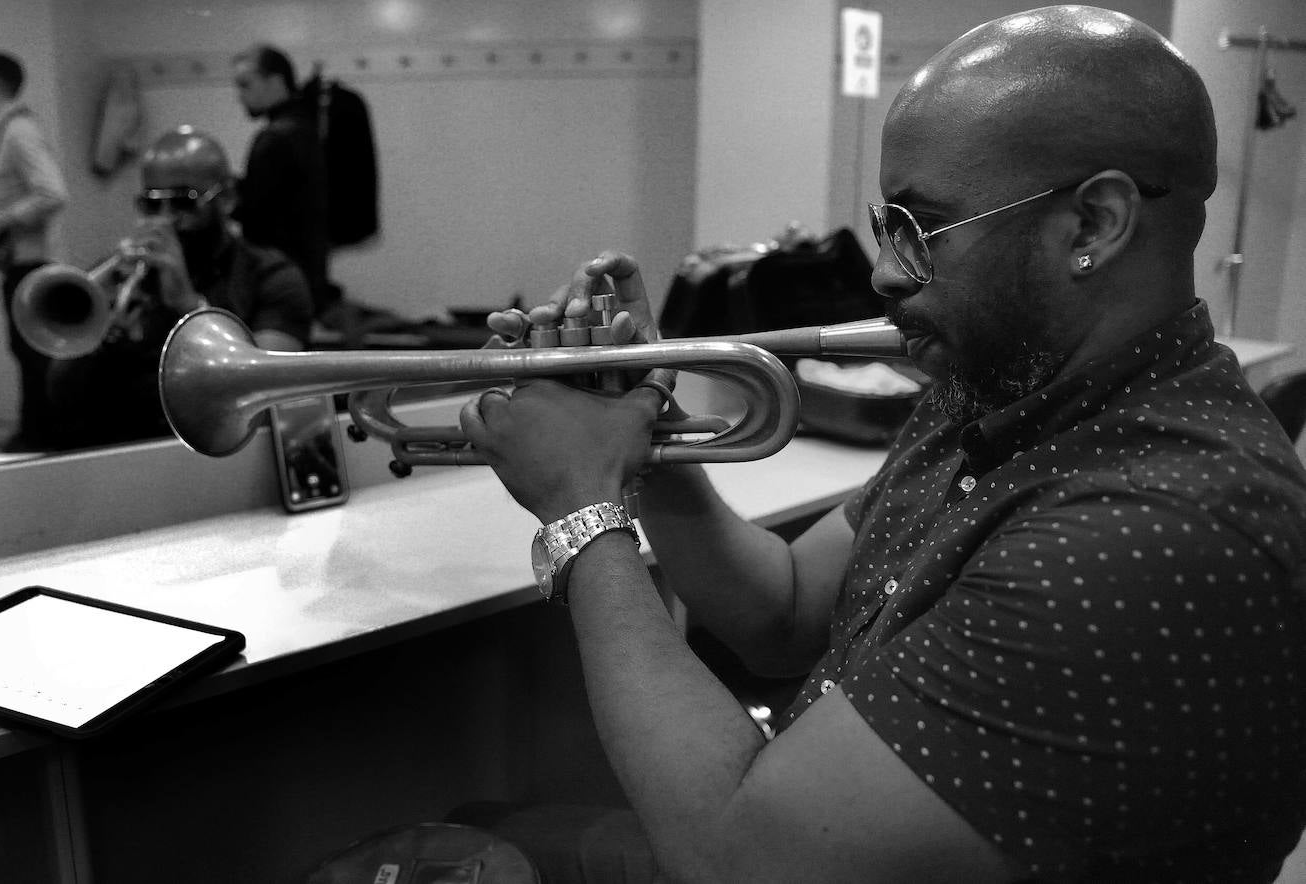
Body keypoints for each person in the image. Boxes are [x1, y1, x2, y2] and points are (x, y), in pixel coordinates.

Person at [458, 6, 1306, 882]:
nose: (884, 272)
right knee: (471, 823)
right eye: (884, 225)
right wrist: (646, 436)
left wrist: (583, 512)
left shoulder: (1149, 532)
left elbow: (735, 862)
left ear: (1093, 225)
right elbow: (784, 616)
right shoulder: (1006, 386)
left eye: (921, 228)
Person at [47, 126, 313, 449]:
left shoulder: (273, 277)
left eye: (183, 203)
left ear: (226, 198)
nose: (164, 220)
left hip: (213, 461)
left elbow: (263, 387)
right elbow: (58, 396)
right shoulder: (121, 277)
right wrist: (98, 334)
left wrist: (189, 306)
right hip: (111, 456)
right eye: (152, 205)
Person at [0, 50, 68, 451]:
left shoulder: (19, 132)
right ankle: (35, 431)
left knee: (32, 352)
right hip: (22, 262)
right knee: (25, 351)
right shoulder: (6, 130)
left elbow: (54, 192)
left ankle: (40, 435)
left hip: (31, 264)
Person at [230, 44, 333, 325]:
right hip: (305, 278)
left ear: (275, 81)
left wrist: (224, 197)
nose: (240, 96)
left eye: (245, 84)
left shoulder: (275, 138)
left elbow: (255, 214)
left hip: (278, 281)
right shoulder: (305, 128)